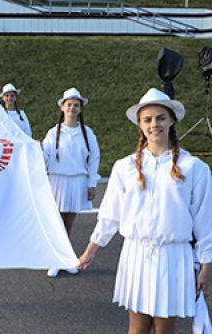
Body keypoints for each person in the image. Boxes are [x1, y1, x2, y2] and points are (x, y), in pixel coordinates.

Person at [77, 88, 212, 333]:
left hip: (174, 257)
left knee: (164, 328)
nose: (154, 124)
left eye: (160, 117)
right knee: (137, 328)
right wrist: (90, 250)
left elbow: (205, 220)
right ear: (140, 124)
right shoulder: (124, 167)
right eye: (147, 119)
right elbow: (110, 214)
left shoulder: (195, 168)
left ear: (172, 120)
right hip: (136, 255)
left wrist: (207, 264)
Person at [42, 87, 100, 278]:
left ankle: (65, 259)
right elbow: (46, 157)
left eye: (76, 105)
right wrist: (35, 151)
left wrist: (92, 184)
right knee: (56, 222)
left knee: (68, 223)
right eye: (69, 105)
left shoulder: (87, 133)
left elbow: (94, 159)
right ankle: (55, 259)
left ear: (80, 109)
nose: (72, 108)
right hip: (57, 181)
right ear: (62, 108)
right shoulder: (53, 132)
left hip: (77, 182)